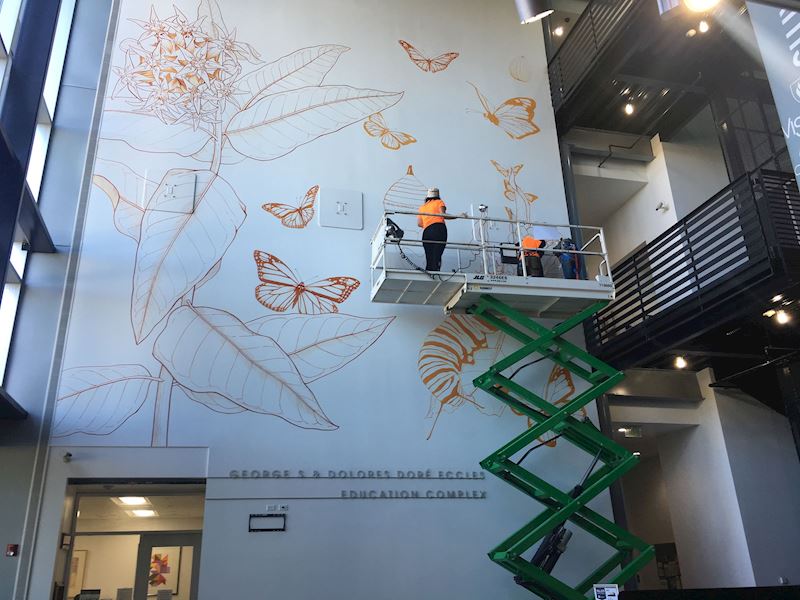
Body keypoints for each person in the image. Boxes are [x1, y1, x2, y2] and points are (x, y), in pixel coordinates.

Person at [417, 187, 449, 272]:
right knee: (437, 255)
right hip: (439, 228)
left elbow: (419, 223)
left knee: (429, 257)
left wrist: (428, 222)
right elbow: (443, 215)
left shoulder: (422, 207)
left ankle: (429, 272)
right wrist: (458, 216)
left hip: (427, 231)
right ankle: (436, 272)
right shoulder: (439, 202)